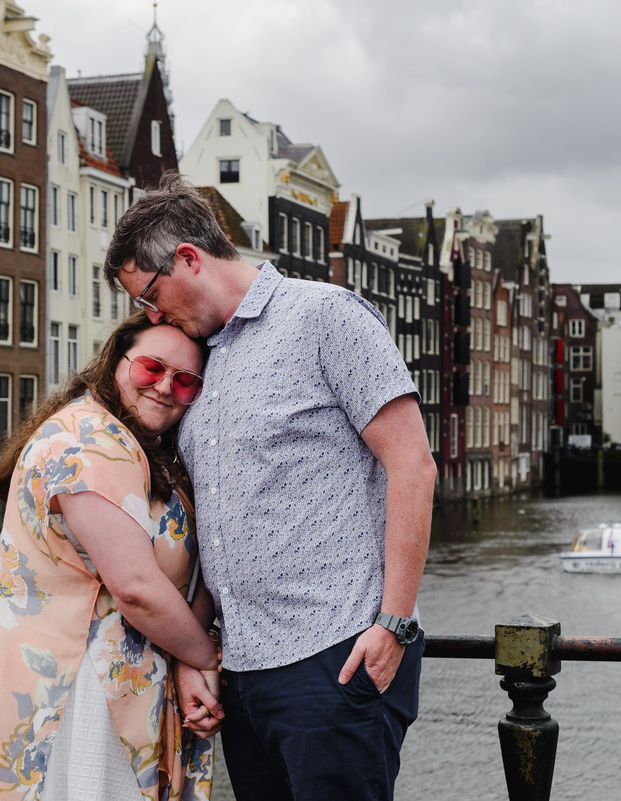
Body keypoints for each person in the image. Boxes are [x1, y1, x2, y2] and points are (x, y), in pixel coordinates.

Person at [105, 174, 438, 801]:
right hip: (245, 667)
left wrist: (393, 623)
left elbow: (413, 465)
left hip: (335, 653)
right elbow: (220, 523)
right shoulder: (199, 365)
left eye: (149, 296)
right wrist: (197, 653)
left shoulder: (325, 317)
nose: (152, 317)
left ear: (188, 258)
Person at [0, 311, 221, 801]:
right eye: (152, 369)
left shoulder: (143, 446)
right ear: (117, 362)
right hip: (76, 692)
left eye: (186, 381)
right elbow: (136, 588)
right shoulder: (90, 442)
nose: (165, 387)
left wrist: (186, 660)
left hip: (112, 682)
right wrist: (202, 658)